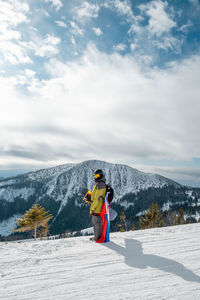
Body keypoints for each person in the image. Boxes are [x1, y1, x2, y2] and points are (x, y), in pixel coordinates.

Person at [87, 169, 107, 241]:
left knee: (96, 223)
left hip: (97, 208)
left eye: (97, 175)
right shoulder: (98, 183)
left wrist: (92, 208)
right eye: (95, 175)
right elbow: (95, 195)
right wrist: (90, 197)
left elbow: (97, 199)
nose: (96, 177)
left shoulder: (100, 184)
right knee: (97, 223)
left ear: (101, 175)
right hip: (97, 207)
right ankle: (97, 236)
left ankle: (97, 237)